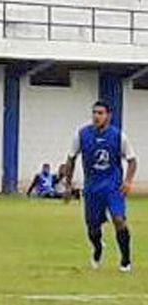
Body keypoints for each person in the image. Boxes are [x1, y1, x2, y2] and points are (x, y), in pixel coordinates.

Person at [62, 101, 138, 272]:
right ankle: (98, 247)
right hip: (92, 188)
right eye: (94, 113)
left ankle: (125, 260)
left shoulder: (119, 136)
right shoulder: (82, 135)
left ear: (108, 116)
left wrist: (127, 181)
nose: (96, 116)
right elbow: (71, 159)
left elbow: (132, 160)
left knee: (119, 220)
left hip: (113, 187)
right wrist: (68, 185)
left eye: (100, 113)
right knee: (93, 227)